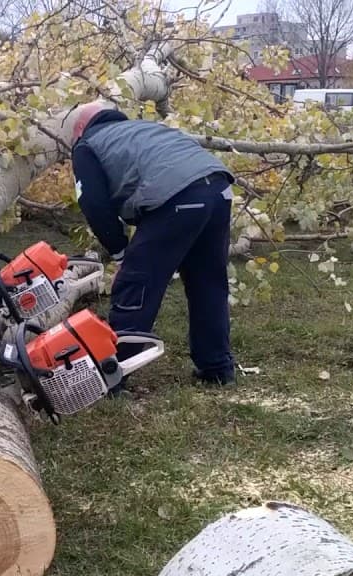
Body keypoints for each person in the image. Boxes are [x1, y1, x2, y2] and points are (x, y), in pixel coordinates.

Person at [69, 101, 237, 386]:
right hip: (219, 189)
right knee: (208, 283)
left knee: (137, 282)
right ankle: (217, 368)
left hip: (177, 197)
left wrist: (119, 250)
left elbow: (93, 203)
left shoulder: (88, 146)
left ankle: (113, 372)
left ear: (81, 129)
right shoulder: (146, 129)